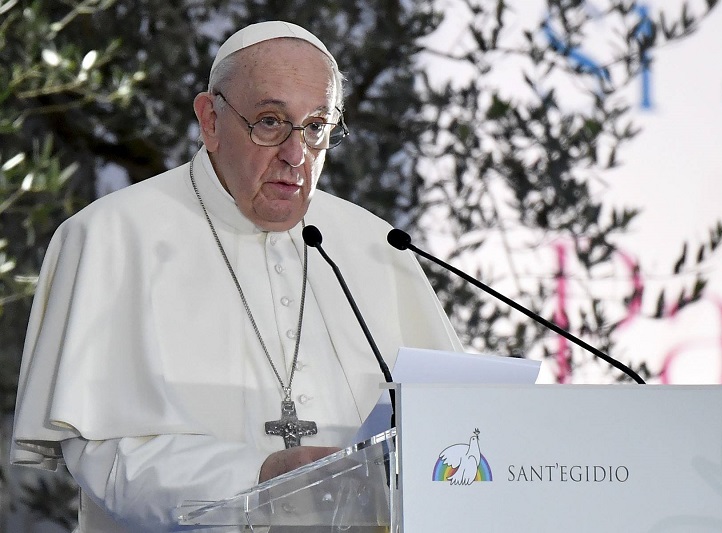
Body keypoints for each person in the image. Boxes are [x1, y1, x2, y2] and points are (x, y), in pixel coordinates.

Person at [10, 21, 462, 532]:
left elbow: (448, 430)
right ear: (210, 119)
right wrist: (261, 476)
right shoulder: (109, 236)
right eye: (270, 122)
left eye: (316, 127)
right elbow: (100, 449)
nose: (297, 156)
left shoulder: (376, 245)